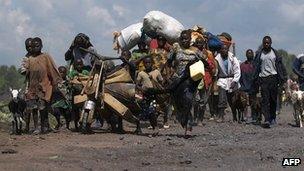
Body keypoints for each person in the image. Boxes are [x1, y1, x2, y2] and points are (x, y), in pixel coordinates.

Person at [24, 37, 62, 134]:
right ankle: (36, 127)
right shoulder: (30, 59)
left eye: (38, 46)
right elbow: (26, 72)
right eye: (33, 46)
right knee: (33, 108)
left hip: (44, 86)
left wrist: (55, 83)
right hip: (33, 87)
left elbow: (52, 69)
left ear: (41, 46)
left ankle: (44, 127)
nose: (36, 48)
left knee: (43, 108)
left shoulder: (46, 57)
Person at [253, 36, 287, 128]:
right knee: (265, 100)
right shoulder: (259, 54)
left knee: (273, 99)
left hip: (274, 78)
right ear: (263, 43)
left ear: (271, 43)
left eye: (268, 43)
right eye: (264, 43)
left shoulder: (275, 54)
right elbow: (256, 67)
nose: (266, 44)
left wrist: (283, 78)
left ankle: (273, 117)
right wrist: (255, 78)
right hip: (263, 78)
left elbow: (281, 67)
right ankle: (267, 119)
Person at [193, 37, 216, 125]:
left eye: (201, 43)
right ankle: (195, 118)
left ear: (204, 44)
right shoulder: (193, 52)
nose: (199, 45)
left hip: (206, 78)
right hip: (195, 78)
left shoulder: (208, 53)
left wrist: (205, 61)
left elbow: (213, 67)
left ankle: (200, 120)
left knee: (203, 101)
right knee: (195, 100)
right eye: (197, 43)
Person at [215, 44, 241, 122]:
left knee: (233, 100)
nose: (224, 50)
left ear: (228, 50)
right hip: (222, 80)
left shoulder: (232, 58)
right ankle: (221, 116)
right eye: (222, 49)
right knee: (221, 99)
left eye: (225, 49)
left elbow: (237, 70)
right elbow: (215, 71)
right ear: (220, 50)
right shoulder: (217, 59)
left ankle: (234, 115)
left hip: (232, 79)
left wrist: (235, 81)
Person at [240, 49, 257, 123]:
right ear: (246, 55)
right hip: (245, 87)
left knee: (254, 103)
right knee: (245, 104)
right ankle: (245, 117)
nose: (249, 55)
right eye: (248, 53)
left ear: (253, 55)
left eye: (251, 53)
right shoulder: (243, 65)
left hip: (254, 87)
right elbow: (240, 77)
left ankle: (254, 117)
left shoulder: (256, 64)